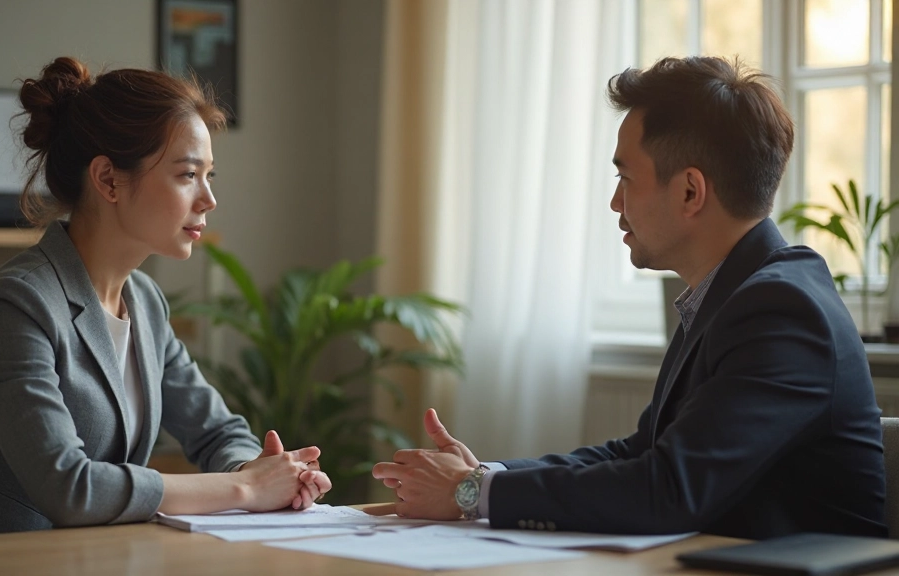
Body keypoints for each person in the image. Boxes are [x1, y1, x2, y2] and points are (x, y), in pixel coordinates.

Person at [371, 56, 887, 540]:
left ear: (690, 191)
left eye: (625, 177)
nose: (615, 201)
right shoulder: (733, 293)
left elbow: (668, 490)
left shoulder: (781, 311)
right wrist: (483, 476)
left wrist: (471, 492)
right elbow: (640, 455)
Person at [0, 57, 330, 539]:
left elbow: (218, 431)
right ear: (108, 179)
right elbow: (70, 488)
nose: (208, 199)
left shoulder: (146, 303)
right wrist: (245, 489)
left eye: (209, 176)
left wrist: (260, 471)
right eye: (187, 175)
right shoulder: (16, 305)